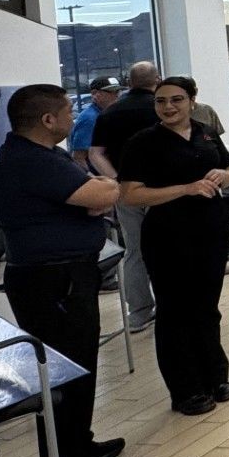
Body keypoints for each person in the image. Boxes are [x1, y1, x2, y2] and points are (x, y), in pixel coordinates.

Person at [0, 84, 132, 457]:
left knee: (78, 373)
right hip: (52, 282)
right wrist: (98, 192)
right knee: (67, 379)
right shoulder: (29, 161)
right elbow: (102, 195)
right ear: (48, 120)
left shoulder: (41, 157)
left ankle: (76, 451)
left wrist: (94, 193)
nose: (74, 115)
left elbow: (94, 194)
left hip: (63, 277)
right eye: (69, 110)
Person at [116, 76, 229, 416]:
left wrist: (223, 177)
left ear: (192, 101)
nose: (168, 107)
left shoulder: (205, 132)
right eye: (161, 101)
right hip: (169, 236)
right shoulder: (143, 142)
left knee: (207, 307)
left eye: (177, 100)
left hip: (211, 231)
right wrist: (185, 189)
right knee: (175, 312)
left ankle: (215, 376)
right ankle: (185, 389)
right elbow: (130, 194)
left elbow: (228, 169)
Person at [89, 59, 160, 332]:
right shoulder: (162, 110)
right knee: (169, 248)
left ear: (129, 83)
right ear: (157, 80)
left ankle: (139, 312)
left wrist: (117, 182)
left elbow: (96, 153)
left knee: (135, 250)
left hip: (127, 191)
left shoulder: (110, 113)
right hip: (162, 191)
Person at [69, 77, 119, 167]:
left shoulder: (107, 115)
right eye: (111, 91)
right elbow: (78, 157)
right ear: (95, 94)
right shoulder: (90, 119)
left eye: (117, 91)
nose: (116, 95)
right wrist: (93, 179)